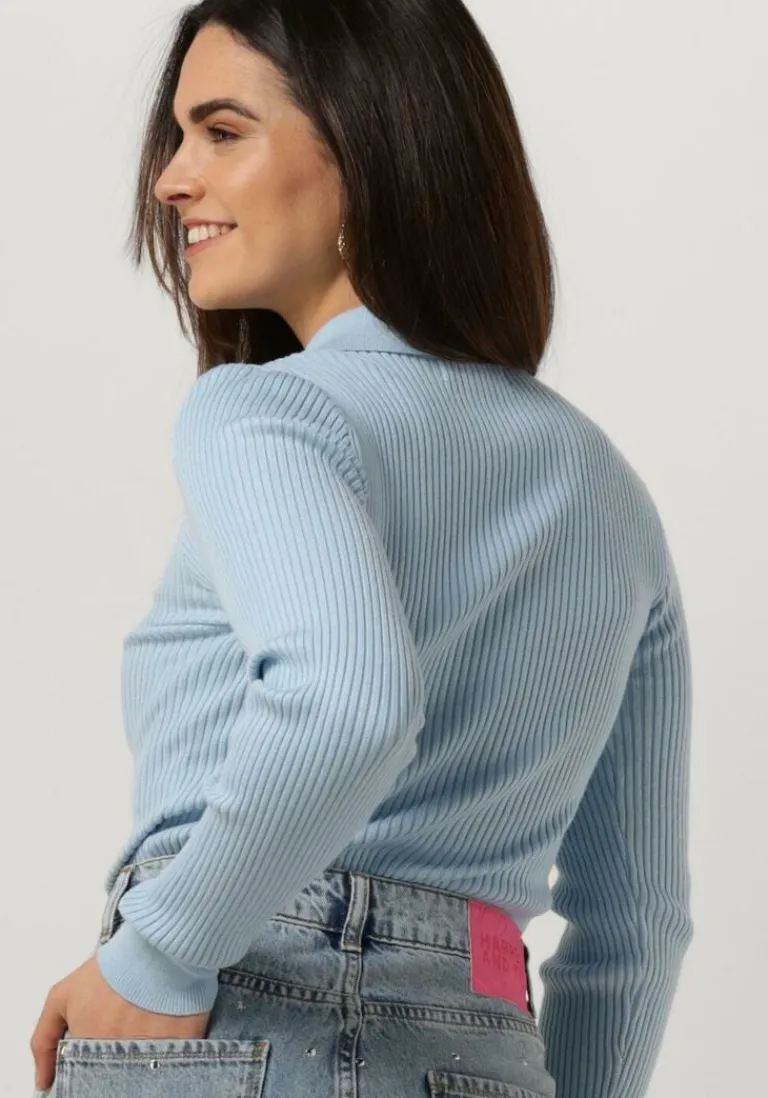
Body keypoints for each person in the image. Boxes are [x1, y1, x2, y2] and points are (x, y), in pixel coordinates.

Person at [31, 2, 694, 1096]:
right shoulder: (607, 492)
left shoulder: (266, 413)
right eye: (179, 138)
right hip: (488, 1042)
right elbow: (638, 922)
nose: (171, 181)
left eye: (222, 131)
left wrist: (160, 950)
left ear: (364, 144)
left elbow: (348, 703)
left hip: (238, 1003)